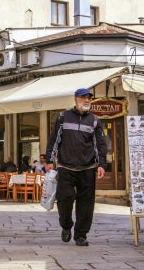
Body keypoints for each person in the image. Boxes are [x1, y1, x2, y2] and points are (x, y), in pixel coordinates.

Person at [45, 87, 106, 247]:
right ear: (75, 99)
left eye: (89, 98)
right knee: (64, 200)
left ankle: (81, 235)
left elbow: (100, 144)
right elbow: (54, 139)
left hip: (87, 168)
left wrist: (101, 164)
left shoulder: (94, 121)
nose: (86, 100)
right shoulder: (63, 117)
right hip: (65, 167)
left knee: (86, 203)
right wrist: (49, 159)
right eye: (83, 97)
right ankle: (66, 226)